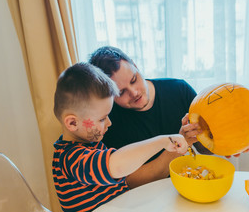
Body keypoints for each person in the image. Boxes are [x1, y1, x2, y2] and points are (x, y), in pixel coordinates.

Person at [52, 62, 188, 212]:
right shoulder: (71, 158)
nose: (109, 123)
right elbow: (117, 166)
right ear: (72, 123)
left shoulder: (92, 145)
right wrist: (162, 141)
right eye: (102, 119)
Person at [88, 46, 211, 189]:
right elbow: (131, 183)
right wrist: (180, 143)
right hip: (142, 202)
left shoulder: (179, 89)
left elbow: (204, 149)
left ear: (135, 65)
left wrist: (222, 143)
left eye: (134, 80)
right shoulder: (108, 121)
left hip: (188, 189)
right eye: (121, 92)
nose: (134, 93)